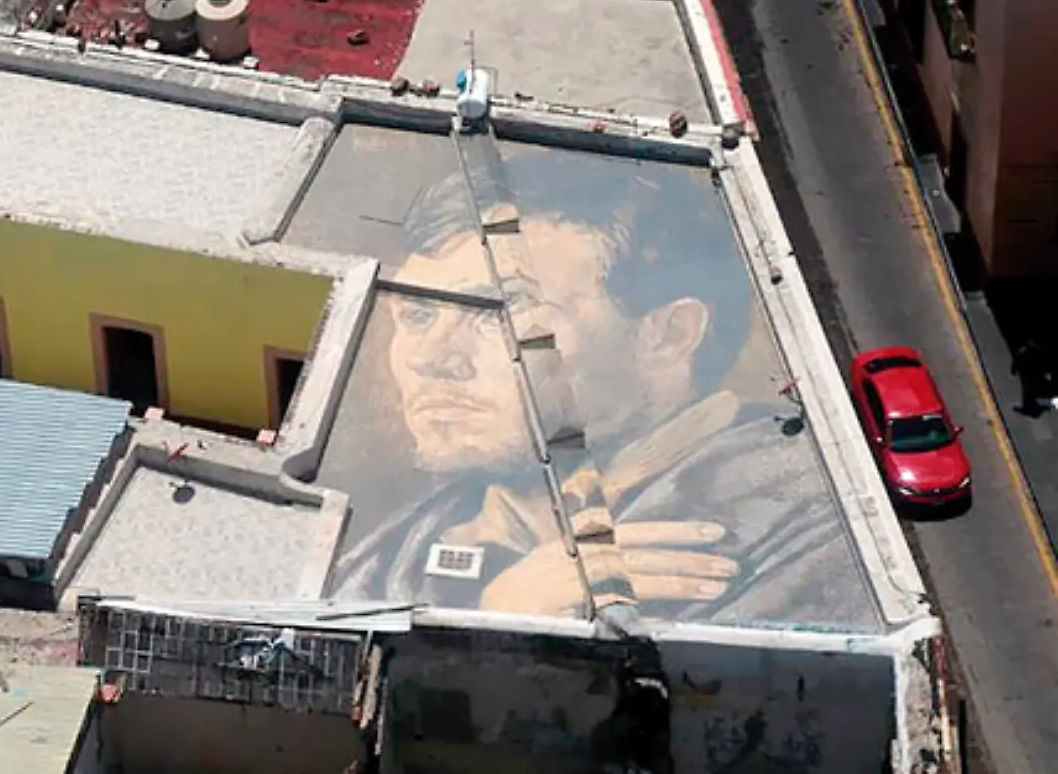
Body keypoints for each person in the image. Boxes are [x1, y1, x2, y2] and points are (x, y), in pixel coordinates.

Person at [324, 147, 874, 627]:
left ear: (668, 336)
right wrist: (500, 616)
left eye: (504, 311)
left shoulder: (816, 522)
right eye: (418, 315)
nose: (433, 359)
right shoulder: (396, 549)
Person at [1012, 338, 1049, 416]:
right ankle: (1034, 407)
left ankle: (1028, 408)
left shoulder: (1024, 351)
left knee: (1027, 392)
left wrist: (1014, 370)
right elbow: (1043, 364)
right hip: (1033, 375)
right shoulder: (1038, 352)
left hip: (1028, 375)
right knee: (1032, 392)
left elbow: (1017, 360)